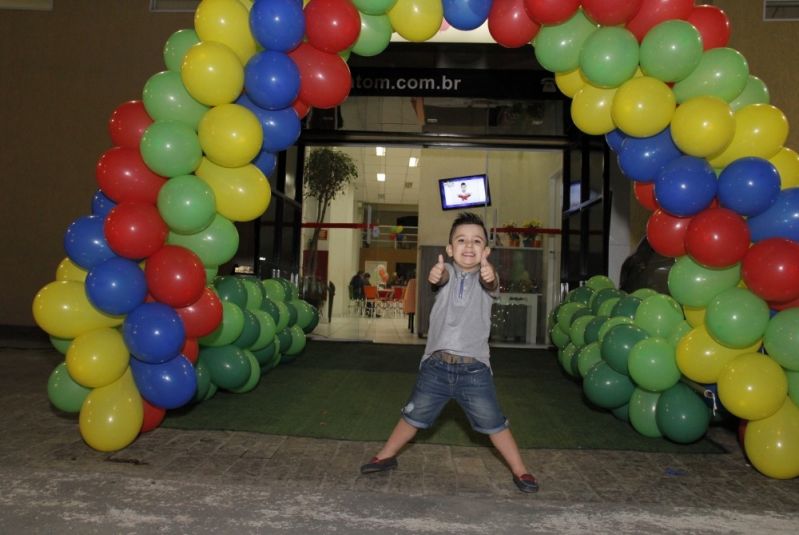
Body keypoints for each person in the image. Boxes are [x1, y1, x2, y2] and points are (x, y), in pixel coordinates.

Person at [359, 212, 539, 493]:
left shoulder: (487, 278)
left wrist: (490, 276)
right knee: (412, 415)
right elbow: (438, 278)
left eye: (477, 241)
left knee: (494, 423)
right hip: (437, 366)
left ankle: (521, 470)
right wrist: (437, 273)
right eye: (462, 240)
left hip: (474, 370)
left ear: (486, 251)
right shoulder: (446, 272)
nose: (469, 246)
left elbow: (491, 285)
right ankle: (385, 455)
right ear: (450, 249)